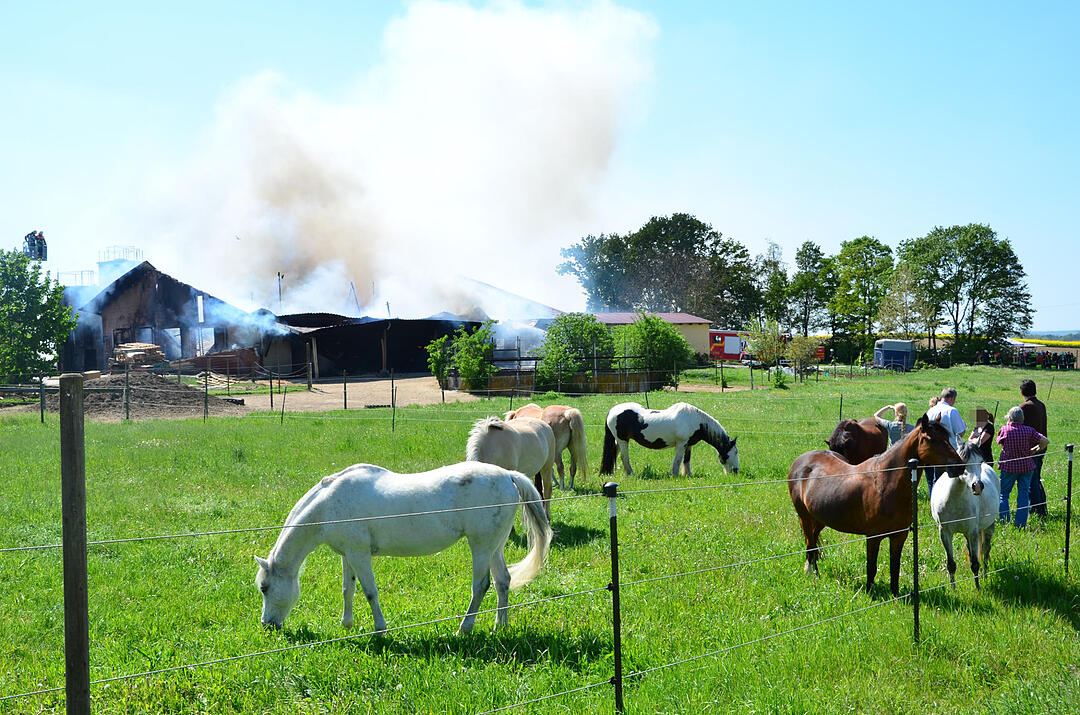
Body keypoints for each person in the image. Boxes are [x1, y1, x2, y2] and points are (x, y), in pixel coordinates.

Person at [997, 406, 1049, 528]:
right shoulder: (1029, 430)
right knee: (1023, 494)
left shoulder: (1005, 429)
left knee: (1003, 495)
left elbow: (1000, 443)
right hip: (1026, 466)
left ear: (1009, 417)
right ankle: (1020, 524)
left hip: (1009, 467)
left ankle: (1005, 522)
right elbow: (1045, 441)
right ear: (1022, 418)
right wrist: (1034, 450)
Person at [925, 387, 966, 490]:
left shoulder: (930, 411)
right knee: (951, 483)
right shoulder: (952, 411)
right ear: (952, 398)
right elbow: (960, 433)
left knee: (936, 482)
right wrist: (964, 426)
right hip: (949, 452)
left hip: (933, 451)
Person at [1020, 379, 1049, 518]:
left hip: (1030, 448)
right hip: (1042, 446)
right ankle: (1042, 506)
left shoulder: (1024, 407)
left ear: (1021, 393)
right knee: (1036, 477)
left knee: (1032, 480)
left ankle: (1036, 509)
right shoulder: (1041, 405)